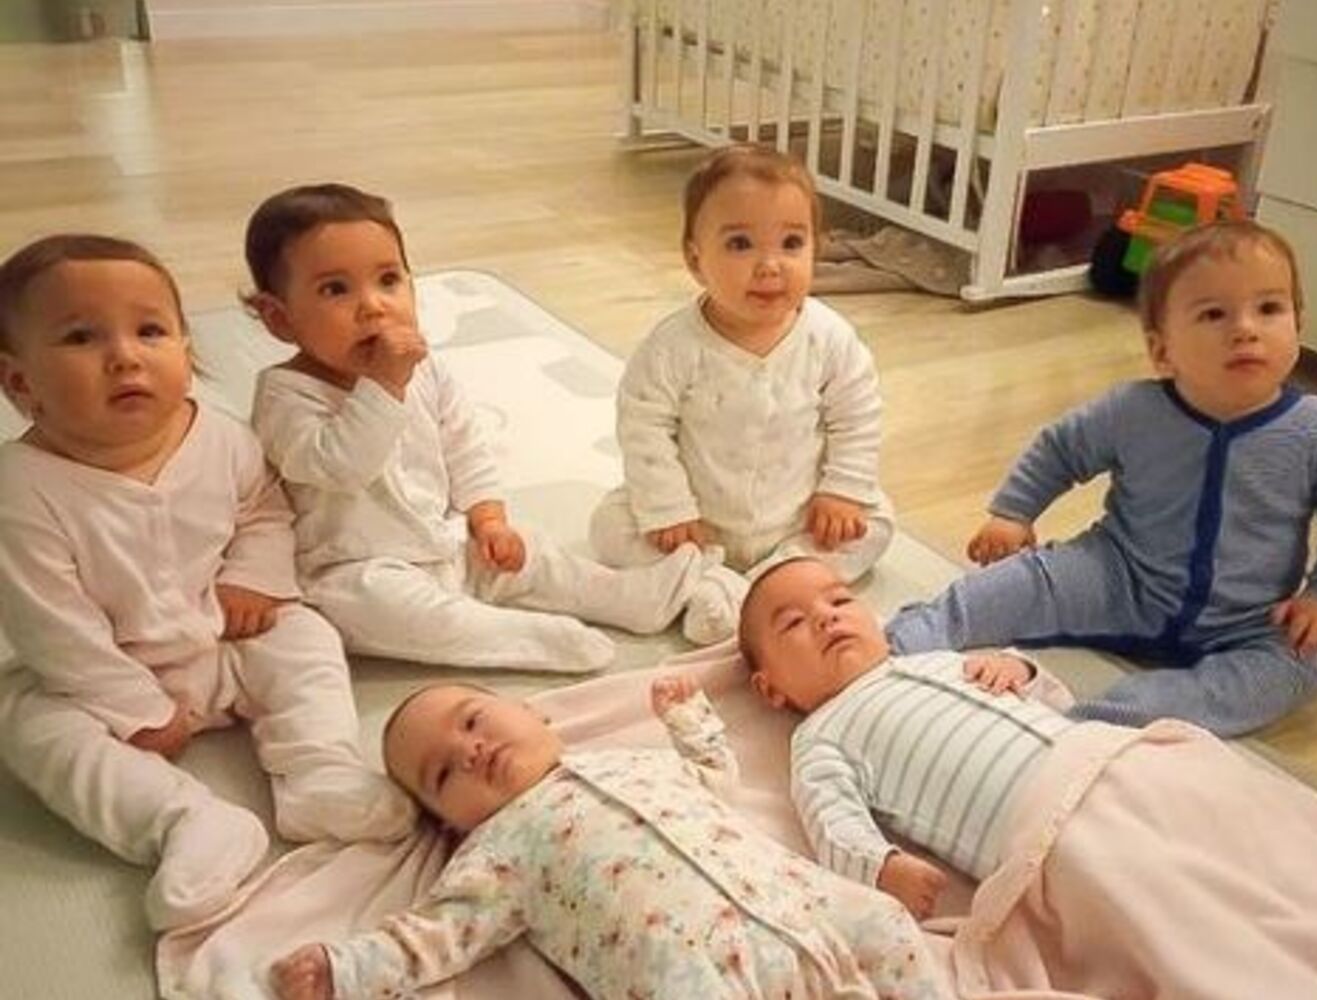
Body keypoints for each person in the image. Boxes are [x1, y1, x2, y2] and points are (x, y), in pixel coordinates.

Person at [741, 557, 1317, 999]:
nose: (828, 618)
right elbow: (831, 823)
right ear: (773, 689)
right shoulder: (822, 734)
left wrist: (1017, 669)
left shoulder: (930, 659)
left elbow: (1053, 699)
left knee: (1241, 842)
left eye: (839, 599)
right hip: (1049, 831)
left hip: (1109, 760)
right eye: (794, 623)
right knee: (1173, 909)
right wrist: (882, 866)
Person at [0, 235, 413, 930]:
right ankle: (187, 821)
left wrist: (253, 578)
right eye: (80, 337)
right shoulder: (21, 490)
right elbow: (53, 627)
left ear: (187, 349)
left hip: (224, 636)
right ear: (19, 383)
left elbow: (263, 511)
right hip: (104, 673)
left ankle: (318, 774)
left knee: (306, 635)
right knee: (32, 728)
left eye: (150, 331)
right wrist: (134, 706)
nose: (125, 356)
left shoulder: (220, 436)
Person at [886, 221, 1317, 735]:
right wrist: (1014, 512)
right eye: (1214, 314)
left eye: (1269, 308)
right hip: (1118, 576)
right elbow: (1061, 448)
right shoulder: (1132, 411)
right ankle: (899, 642)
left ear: (1298, 325)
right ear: (1162, 351)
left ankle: (1119, 712)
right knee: (1017, 584)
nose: (1246, 329)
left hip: (1247, 619)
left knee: (1314, 658)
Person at [244, 184, 726, 673]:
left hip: (445, 539)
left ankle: (625, 597)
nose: (373, 306)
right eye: (335, 290)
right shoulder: (285, 396)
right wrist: (384, 384)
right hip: (356, 567)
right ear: (279, 319)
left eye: (388, 280)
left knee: (534, 555)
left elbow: (464, 445)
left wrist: (488, 518)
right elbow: (341, 466)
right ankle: (528, 639)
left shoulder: (424, 370)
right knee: (402, 615)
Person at [268, 677, 953, 1000]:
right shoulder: (496, 853)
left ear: (532, 714)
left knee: (883, 920)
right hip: (695, 972)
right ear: (451, 821)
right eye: (444, 772)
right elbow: (434, 936)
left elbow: (714, 778)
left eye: (474, 721)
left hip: (797, 906)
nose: (470, 750)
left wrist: (688, 719)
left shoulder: (632, 762)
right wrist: (343, 968)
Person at [589, 144, 895, 639]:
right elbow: (642, 426)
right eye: (739, 244)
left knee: (877, 520)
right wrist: (668, 508)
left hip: (797, 517)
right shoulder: (673, 346)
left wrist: (842, 491)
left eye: (792, 243)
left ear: (816, 248)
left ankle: (763, 580)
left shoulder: (829, 338)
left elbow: (858, 415)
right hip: (697, 523)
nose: (770, 265)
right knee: (610, 526)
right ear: (695, 259)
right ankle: (712, 580)